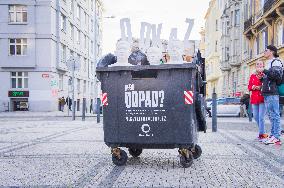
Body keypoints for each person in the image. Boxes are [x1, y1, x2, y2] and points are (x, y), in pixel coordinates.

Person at [261, 45, 283, 145]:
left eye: (266, 50)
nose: (264, 52)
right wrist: (262, 77)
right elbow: (269, 76)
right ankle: (273, 135)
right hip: (267, 91)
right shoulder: (268, 63)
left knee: (275, 114)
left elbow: (276, 75)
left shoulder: (276, 62)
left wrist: (264, 71)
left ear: (272, 52)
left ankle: (276, 137)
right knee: (271, 115)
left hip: (273, 92)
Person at [248, 60, 267, 141]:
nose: (259, 65)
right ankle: (263, 132)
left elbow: (267, 85)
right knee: (255, 116)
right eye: (257, 64)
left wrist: (260, 87)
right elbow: (249, 86)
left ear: (263, 66)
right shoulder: (252, 75)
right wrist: (253, 87)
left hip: (263, 98)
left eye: (261, 64)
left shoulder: (265, 74)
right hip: (255, 98)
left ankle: (261, 134)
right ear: (256, 66)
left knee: (261, 117)